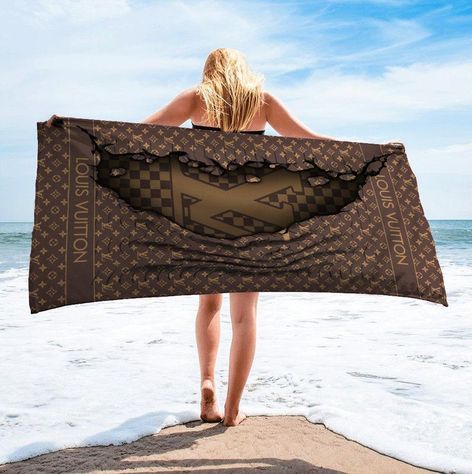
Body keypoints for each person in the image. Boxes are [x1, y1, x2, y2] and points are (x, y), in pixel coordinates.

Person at [46, 47, 336, 428]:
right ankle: (232, 410)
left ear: (209, 71)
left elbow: (134, 135)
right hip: (256, 218)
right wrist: (378, 154)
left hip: (202, 216)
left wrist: (72, 131)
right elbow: (314, 143)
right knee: (245, 316)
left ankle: (207, 382)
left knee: (209, 305)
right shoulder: (263, 102)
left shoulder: (196, 100)